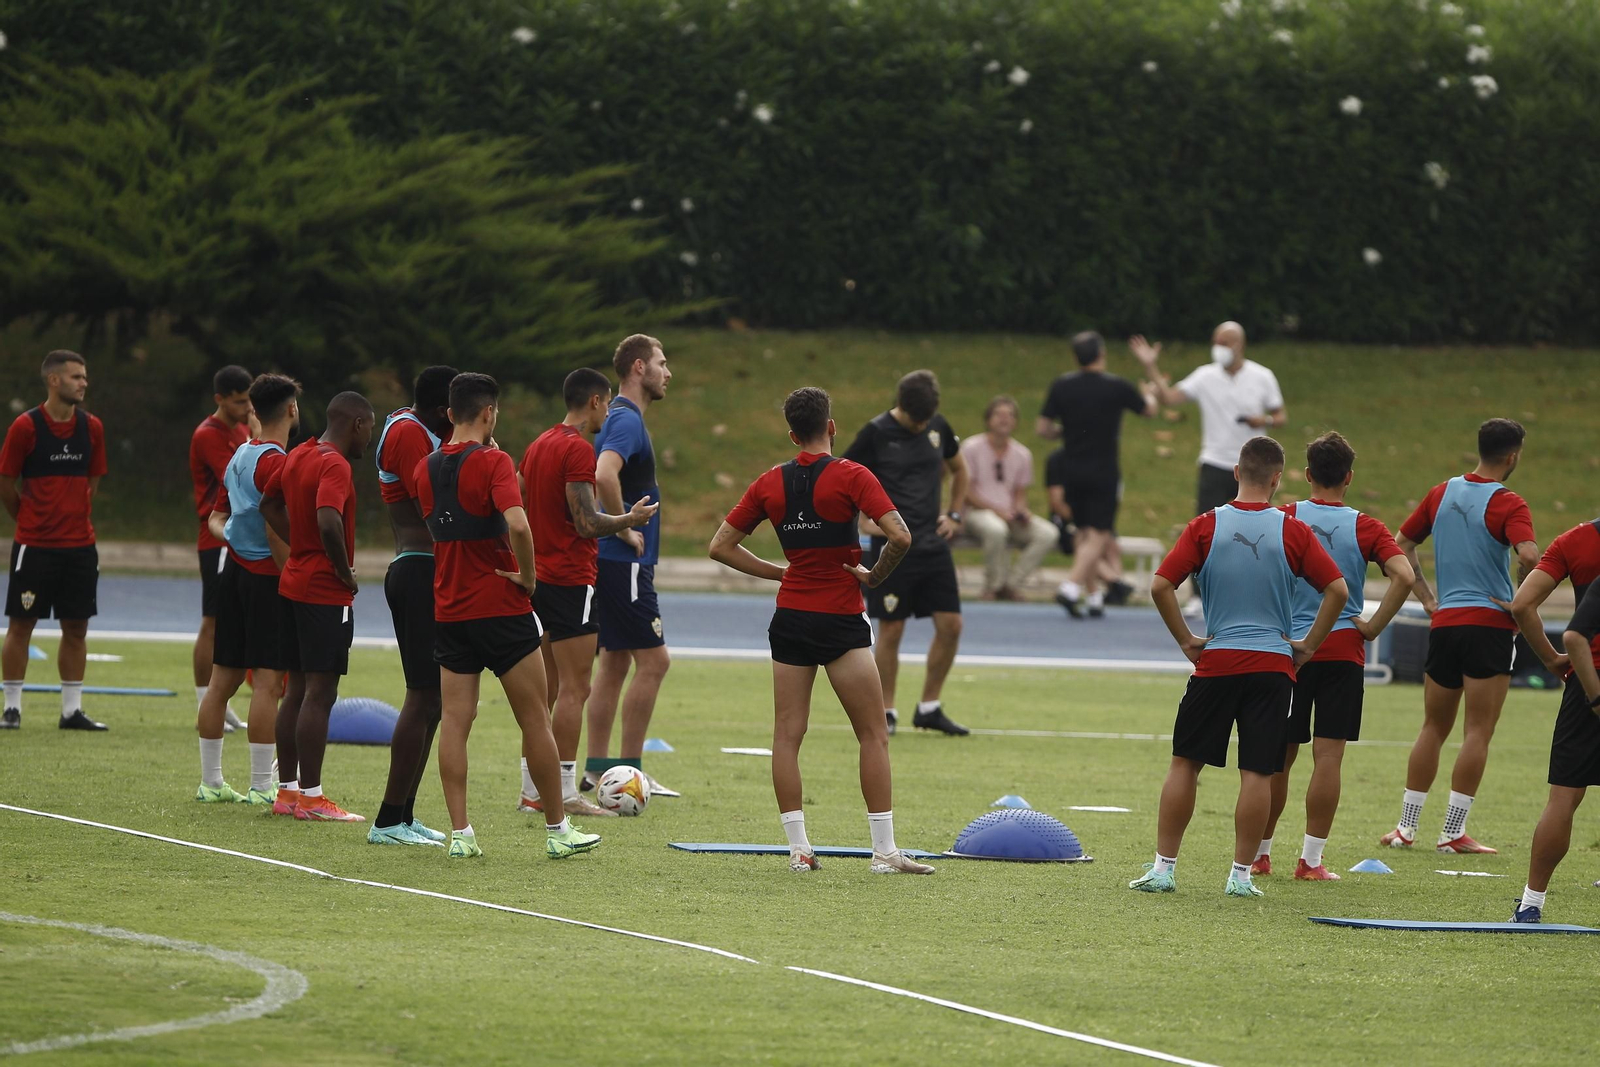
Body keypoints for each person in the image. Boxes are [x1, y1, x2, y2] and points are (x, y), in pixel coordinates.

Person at [709, 386, 934, 875]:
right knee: (873, 734)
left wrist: (779, 572)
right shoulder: (852, 475)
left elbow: (720, 547)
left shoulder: (769, 482)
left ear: (792, 434)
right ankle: (884, 852)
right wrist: (874, 576)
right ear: (831, 427)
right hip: (839, 619)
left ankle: (799, 850)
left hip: (790, 618)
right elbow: (900, 535)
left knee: (787, 736)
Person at [1131, 437, 1347, 897]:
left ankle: (1164, 869)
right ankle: (1241, 876)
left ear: (1235, 472)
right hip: (1272, 666)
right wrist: (1308, 645)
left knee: (1186, 764)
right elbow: (1338, 592)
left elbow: (1160, 586)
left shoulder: (1205, 526)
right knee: (1257, 772)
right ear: (1277, 479)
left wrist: (1188, 641)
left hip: (1217, 661)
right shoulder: (1292, 530)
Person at [416, 372, 601, 860]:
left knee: (456, 721)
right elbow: (517, 522)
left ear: (450, 413)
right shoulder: (495, 460)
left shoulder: (425, 467)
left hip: (450, 608)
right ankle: (558, 829)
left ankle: (461, 833)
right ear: (489, 412)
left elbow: (444, 523)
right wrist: (528, 575)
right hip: (500, 605)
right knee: (535, 718)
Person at [1252, 433, 1414, 880]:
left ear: (1306, 475)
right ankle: (1311, 861)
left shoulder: (1282, 516)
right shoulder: (1366, 526)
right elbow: (1403, 574)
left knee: (1277, 758)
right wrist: (1373, 625)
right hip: (1342, 649)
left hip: (1287, 652)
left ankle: (1261, 854)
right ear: (1349, 477)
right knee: (1328, 758)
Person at [1381, 418, 1537, 853]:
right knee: (1477, 731)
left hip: (1446, 623)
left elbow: (1400, 546)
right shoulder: (1510, 503)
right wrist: (1522, 594)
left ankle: (1406, 828)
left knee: (1433, 726)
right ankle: (1452, 832)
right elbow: (1528, 553)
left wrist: (1429, 599)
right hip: (1489, 624)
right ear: (1512, 456)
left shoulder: (1441, 492)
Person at [518, 367, 657, 819]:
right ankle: (562, 792)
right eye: (607, 402)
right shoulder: (576, 449)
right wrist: (628, 521)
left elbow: (518, 499)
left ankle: (531, 791)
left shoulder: (539, 444)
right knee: (576, 688)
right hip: (571, 580)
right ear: (595, 401)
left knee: (546, 691)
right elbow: (586, 523)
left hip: (539, 579)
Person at [259, 392, 374, 823]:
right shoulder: (335, 464)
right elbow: (329, 519)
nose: (370, 439)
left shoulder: (298, 454)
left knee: (298, 689)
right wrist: (343, 570)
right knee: (321, 693)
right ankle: (312, 797)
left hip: (292, 583)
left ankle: (287, 792)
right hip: (324, 590)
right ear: (357, 424)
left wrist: (300, 543)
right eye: (370, 429)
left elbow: (267, 503)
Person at [844, 370, 970, 736]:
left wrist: (956, 513)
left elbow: (960, 470)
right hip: (892, 548)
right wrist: (865, 519)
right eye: (918, 420)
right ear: (901, 407)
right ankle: (886, 710)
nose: (922, 426)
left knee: (952, 625)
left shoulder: (938, 427)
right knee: (892, 629)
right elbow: (844, 476)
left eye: (927, 420)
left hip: (933, 543)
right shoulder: (876, 433)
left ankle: (929, 707)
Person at [193, 374, 300, 805]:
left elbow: (217, 518)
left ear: (253, 409)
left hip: (233, 575)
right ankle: (260, 785)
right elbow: (278, 533)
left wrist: (234, 536)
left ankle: (211, 782)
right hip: (266, 580)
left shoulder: (240, 453)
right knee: (268, 685)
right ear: (291, 410)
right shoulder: (279, 463)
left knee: (222, 682)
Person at [366, 365, 458, 846]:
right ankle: (386, 819)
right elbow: (437, 504)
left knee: (435, 701)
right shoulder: (406, 433)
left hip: (431, 570)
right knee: (421, 695)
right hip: (418, 567)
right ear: (446, 410)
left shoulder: (422, 429)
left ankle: (404, 814)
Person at [0, 350, 109, 731]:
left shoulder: (91, 427)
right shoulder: (26, 427)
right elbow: (5, 482)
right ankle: (11, 708)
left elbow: (93, 481)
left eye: (85, 376)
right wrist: (31, 520)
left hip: (80, 547)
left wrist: (73, 514)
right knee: (21, 624)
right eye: (76, 376)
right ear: (54, 380)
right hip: (35, 547)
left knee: (76, 627)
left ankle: (70, 711)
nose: (83, 382)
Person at [587, 334, 676, 796]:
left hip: (615, 564)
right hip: (624, 563)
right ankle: (631, 772)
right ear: (638, 368)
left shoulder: (622, 417)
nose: (668, 372)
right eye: (662, 363)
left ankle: (597, 768)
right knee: (656, 661)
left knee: (615, 663)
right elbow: (604, 472)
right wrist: (622, 526)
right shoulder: (626, 420)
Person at [1504, 514, 1600, 922]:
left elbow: (1522, 604)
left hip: (1589, 678)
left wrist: (1550, 659)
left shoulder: (1575, 541)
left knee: (1564, 796)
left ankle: (1531, 904)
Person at [1036, 331, 1157, 617]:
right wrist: (1150, 391)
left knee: (1083, 532)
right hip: (1103, 470)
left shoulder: (1062, 386)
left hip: (1071, 468)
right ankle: (1070, 586)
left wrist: (1065, 433)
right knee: (1099, 533)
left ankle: (1094, 597)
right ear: (1101, 354)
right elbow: (1149, 411)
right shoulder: (1115, 387)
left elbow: (1043, 429)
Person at [1131, 323, 1286, 517]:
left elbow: (1281, 417)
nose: (1218, 348)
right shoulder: (1205, 376)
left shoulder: (1262, 376)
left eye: (1224, 343)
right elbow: (1170, 398)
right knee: (1207, 527)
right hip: (1215, 462)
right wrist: (1150, 367)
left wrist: (1265, 420)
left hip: (1253, 465)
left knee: (1254, 524)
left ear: (1239, 345)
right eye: (1215, 343)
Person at [189, 364, 253, 733]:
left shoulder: (242, 429)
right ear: (220, 400)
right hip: (216, 537)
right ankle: (204, 702)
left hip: (239, 537)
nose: (246, 408)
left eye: (248, 401)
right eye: (239, 401)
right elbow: (236, 475)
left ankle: (220, 702)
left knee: (233, 623)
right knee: (212, 621)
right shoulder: (208, 434)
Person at [959, 396, 1056, 600]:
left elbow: (1020, 494)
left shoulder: (1023, 454)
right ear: (988, 419)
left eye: (1010, 415)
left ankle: (1010, 584)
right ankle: (992, 587)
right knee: (996, 529)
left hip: (1008, 514)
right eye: (999, 414)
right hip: (977, 513)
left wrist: (1021, 511)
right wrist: (997, 511)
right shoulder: (971, 448)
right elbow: (966, 493)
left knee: (1048, 533)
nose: (1005, 419)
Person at [1044, 452, 1135, 607]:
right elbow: (1057, 502)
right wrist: (1080, 521)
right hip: (1067, 521)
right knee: (1087, 541)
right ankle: (1113, 582)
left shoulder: (1103, 463)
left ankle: (1111, 593)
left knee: (1110, 544)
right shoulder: (1057, 460)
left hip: (1094, 518)